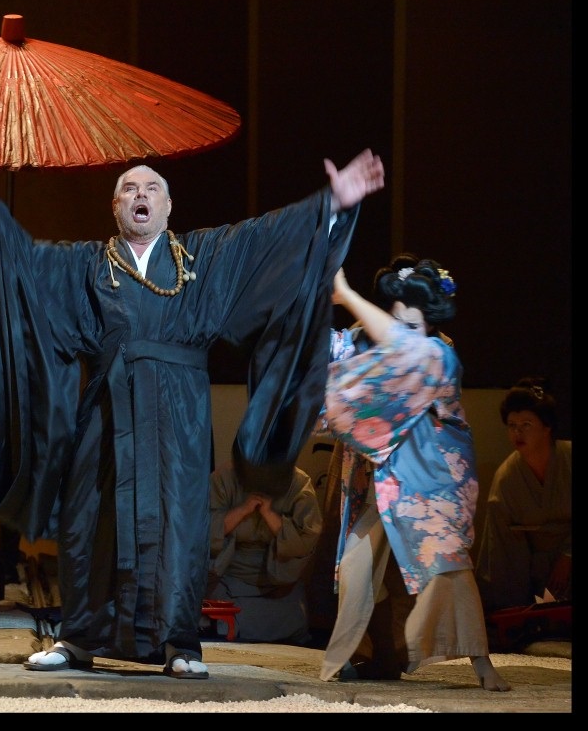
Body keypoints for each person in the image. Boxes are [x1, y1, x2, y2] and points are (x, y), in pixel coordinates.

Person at [0, 148, 385, 678]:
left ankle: (179, 644)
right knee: (89, 519)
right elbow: (32, 269)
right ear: (115, 207)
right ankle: (78, 638)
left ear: (167, 206)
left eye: (151, 188)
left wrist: (330, 203)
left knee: (179, 524)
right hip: (107, 410)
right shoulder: (88, 263)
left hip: (179, 411)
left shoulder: (201, 257)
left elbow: (262, 237)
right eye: (129, 188)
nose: (140, 194)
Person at [317, 260, 510, 691]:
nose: (402, 332)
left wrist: (347, 294)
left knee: (447, 567)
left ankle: (481, 661)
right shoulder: (369, 344)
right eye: (396, 320)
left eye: (411, 325)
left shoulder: (439, 355)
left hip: (431, 482)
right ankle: (358, 656)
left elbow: (403, 350)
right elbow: (327, 353)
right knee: (355, 565)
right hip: (382, 479)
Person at [475, 379, 571, 612]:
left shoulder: (569, 459)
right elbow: (501, 547)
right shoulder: (506, 479)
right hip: (534, 569)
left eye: (526, 424)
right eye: (511, 425)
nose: (517, 432)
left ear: (547, 427)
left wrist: (568, 556)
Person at [204, 465, 322, 644]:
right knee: (221, 619)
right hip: (230, 575)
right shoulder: (223, 479)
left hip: (279, 577)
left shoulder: (298, 482)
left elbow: (304, 540)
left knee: (294, 620)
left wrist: (269, 513)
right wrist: (242, 510)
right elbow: (203, 530)